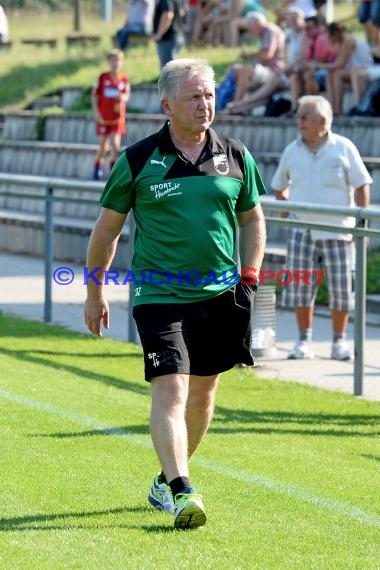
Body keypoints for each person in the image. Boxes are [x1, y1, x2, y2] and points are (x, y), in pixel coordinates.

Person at [84, 58, 267, 529]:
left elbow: (252, 218)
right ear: (167, 104)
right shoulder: (139, 159)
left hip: (221, 295)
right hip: (159, 294)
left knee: (203, 397)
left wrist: (249, 275)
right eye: (194, 96)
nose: (205, 104)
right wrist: (94, 292)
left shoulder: (236, 154)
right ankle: (184, 490)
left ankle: (165, 481)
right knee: (172, 388)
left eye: (209, 95)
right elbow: (106, 232)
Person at [271, 95, 371, 361]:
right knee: (300, 288)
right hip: (301, 232)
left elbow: (362, 184)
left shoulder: (344, 148)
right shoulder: (292, 149)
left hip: (338, 231)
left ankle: (339, 342)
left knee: (341, 289)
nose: (298, 121)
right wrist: (287, 217)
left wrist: (362, 225)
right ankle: (303, 341)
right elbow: (279, 187)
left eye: (304, 116)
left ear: (322, 121)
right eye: (298, 115)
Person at [222, 12, 286, 113]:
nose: (249, 31)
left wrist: (249, 54)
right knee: (234, 69)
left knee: (245, 70)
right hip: (267, 69)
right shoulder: (266, 32)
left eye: (249, 27)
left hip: (274, 71)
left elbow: (268, 54)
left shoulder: (269, 30)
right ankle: (229, 102)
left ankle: (236, 102)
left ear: (256, 24)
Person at [317, 22, 373, 116]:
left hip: (364, 69)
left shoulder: (349, 41)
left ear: (333, 34)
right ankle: (332, 108)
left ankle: (338, 109)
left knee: (337, 74)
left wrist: (319, 66)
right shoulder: (341, 42)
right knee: (330, 74)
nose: (326, 38)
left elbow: (340, 64)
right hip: (353, 70)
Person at [91, 49, 131, 181]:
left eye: (118, 60)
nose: (116, 63)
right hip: (103, 117)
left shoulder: (123, 78)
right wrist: (96, 112)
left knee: (115, 145)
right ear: (109, 62)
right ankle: (97, 167)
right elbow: (95, 96)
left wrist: (122, 98)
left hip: (117, 117)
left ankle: (112, 172)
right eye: (113, 60)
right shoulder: (103, 77)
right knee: (103, 146)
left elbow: (126, 94)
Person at [287, 14, 336, 114]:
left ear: (317, 27)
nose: (306, 31)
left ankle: (310, 109)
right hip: (316, 70)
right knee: (295, 77)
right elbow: (306, 57)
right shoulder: (309, 39)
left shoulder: (322, 38)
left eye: (309, 28)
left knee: (309, 76)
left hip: (326, 71)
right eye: (305, 28)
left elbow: (319, 60)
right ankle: (296, 108)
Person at [152, 0, 186, 68]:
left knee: (168, 72)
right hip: (177, 37)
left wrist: (159, 34)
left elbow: (168, 15)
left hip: (168, 40)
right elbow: (182, 13)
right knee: (174, 70)